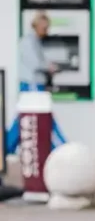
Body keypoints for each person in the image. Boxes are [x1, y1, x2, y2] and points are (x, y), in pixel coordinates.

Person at [5, 11, 67, 156]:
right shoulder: (28, 41)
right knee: (41, 117)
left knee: (25, 118)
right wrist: (50, 67)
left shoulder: (34, 41)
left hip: (32, 84)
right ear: (37, 25)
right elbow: (35, 63)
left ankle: (6, 147)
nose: (46, 31)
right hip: (31, 85)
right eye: (45, 27)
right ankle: (61, 148)